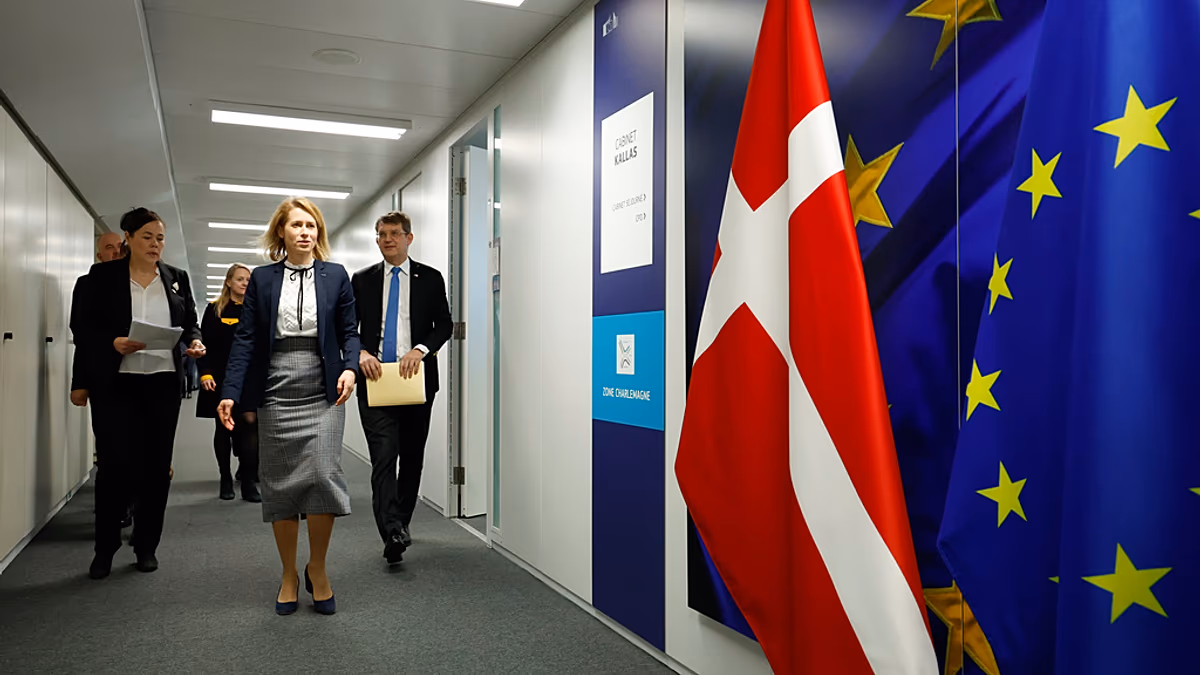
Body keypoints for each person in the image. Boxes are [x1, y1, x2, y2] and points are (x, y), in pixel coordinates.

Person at [219, 197, 360, 616]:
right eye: (296, 225)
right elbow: (246, 338)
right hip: (276, 385)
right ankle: (287, 573)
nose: (305, 232)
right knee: (281, 483)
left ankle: (317, 567)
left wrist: (350, 368)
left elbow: (349, 332)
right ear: (281, 231)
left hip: (324, 385)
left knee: (322, 474)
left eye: (311, 225)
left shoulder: (336, 275)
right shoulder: (263, 279)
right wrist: (229, 391)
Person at [74, 207, 206, 579]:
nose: (154, 244)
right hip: (117, 384)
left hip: (162, 383)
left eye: (160, 238)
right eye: (147, 237)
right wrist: (112, 342)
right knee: (113, 467)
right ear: (128, 239)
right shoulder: (101, 277)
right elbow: (83, 328)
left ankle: (146, 545)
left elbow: (190, 322)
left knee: (156, 469)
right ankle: (105, 548)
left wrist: (195, 342)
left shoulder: (176, 278)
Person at [352, 211, 452, 564]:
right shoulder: (362, 280)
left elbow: (444, 325)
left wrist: (421, 349)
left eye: (395, 233)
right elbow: (347, 327)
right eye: (382, 234)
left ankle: (402, 521)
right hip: (376, 380)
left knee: (411, 457)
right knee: (383, 457)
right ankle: (391, 530)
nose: (388, 239)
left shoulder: (430, 278)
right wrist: (361, 352)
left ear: (409, 238)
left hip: (415, 380)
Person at [71, 232, 137, 528]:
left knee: (138, 447)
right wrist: (79, 382)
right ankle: (111, 508)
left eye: (119, 247)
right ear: (99, 256)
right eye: (108, 248)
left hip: (142, 377)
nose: (115, 251)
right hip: (103, 377)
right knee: (111, 448)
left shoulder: (141, 282)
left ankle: (132, 505)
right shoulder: (88, 284)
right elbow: (81, 335)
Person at [197, 263, 260, 502]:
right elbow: (203, 345)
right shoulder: (216, 309)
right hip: (220, 377)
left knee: (250, 423)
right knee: (224, 427)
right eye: (240, 279)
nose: (245, 283)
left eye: (248, 279)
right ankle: (225, 478)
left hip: (249, 377)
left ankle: (249, 480)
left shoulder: (255, 309)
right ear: (228, 282)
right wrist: (205, 373)